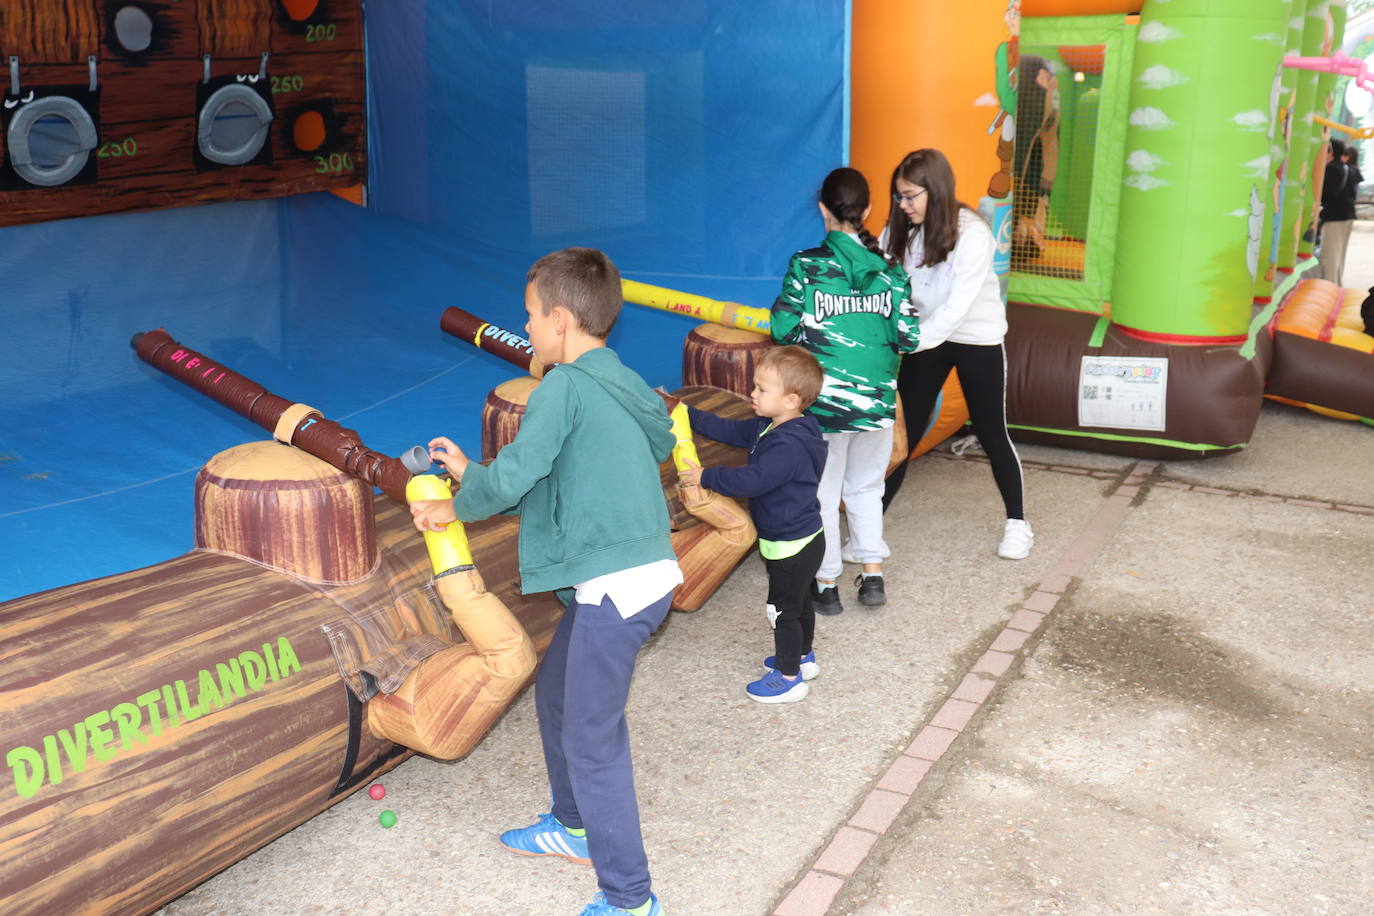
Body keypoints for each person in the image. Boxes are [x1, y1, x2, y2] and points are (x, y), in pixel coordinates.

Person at [412, 248, 675, 916]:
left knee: (592, 738)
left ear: (560, 319)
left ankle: (631, 898)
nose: (525, 327)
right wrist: (472, 475)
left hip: (619, 584)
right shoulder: (618, 380)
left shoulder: (563, 385)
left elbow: (523, 472)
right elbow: (556, 474)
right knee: (557, 694)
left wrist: (451, 504)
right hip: (631, 577)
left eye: (530, 315)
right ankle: (574, 826)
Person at [770, 166, 918, 615]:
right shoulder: (892, 270)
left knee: (822, 491)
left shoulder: (807, 264)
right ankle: (872, 577)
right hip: (874, 403)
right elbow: (910, 337)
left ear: (822, 209)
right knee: (866, 489)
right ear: (869, 209)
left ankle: (827, 583)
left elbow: (781, 328)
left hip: (824, 406)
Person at [881, 148, 1033, 561]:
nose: (903, 205)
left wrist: (909, 341)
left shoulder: (973, 233)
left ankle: (1018, 523)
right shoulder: (901, 228)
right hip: (926, 337)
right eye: (899, 196)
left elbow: (955, 311)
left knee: (989, 429)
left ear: (936, 190)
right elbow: (883, 281)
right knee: (903, 433)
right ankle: (870, 526)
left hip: (975, 336)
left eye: (911, 196)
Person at [678, 345, 828, 704]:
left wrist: (705, 476)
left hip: (791, 545)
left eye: (762, 389)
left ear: (791, 400)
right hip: (804, 538)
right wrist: (686, 413)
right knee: (799, 602)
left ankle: (789, 677)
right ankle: (803, 657)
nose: (752, 394)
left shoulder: (787, 446)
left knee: (782, 610)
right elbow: (730, 430)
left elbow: (752, 480)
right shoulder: (774, 426)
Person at [1319, 137, 1359, 286]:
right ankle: (1336, 284)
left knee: (1330, 255)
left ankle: (1328, 287)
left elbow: (1325, 194)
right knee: (1340, 253)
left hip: (1334, 217)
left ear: (1330, 152)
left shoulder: (1331, 169)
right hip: (1348, 216)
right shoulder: (1349, 169)